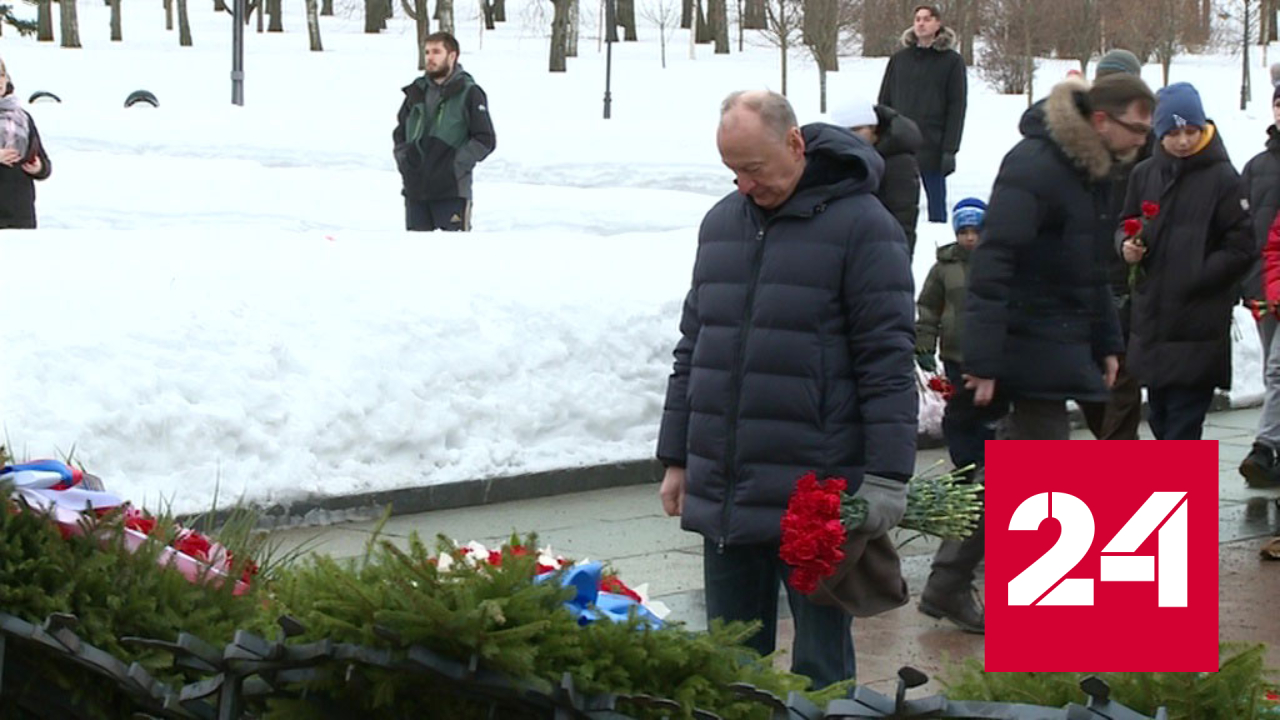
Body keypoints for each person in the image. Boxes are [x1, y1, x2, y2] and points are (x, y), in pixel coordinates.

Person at [655, 90, 917, 689]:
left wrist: (886, 477)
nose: (744, 185)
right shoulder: (721, 224)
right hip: (727, 487)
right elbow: (695, 348)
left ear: (795, 144)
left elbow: (886, 363)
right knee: (731, 666)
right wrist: (677, 457)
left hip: (815, 498)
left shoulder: (864, 227)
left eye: (754, 169)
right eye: (732, 172)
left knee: (820, 674)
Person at [963, 73, 1156, 439]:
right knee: (1044, 467)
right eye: (1135, 128)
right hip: (1027, 340)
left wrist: (1108, 344)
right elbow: (993, 264)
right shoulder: (1035, 166)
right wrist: (983, 362)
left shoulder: (1091, 167)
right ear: (1101, 121)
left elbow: (1091, 268)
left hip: (1060, 339)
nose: (1142, 140)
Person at [1120, 83, 1253, 441]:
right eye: (1174, 133)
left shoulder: (1224, 178)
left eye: (1190, 131)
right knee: (1161, 421)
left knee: (1182, 427)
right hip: (1154, 322)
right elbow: (1125, 222)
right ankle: (1174, 493)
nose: (1183, 141)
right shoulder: (1144, 174)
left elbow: (1242, 246)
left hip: (1198, 323)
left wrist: (1198, 274)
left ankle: (1180, 494)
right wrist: (1126, 246)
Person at [915, 196, 991, 634]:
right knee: (962, 419)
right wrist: (925, 343)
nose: (969, 239)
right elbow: (928, 308)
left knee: (992, 430)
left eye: (975, 231)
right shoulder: (944, 267)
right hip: (959, 358)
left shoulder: (995, 262)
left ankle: (982, 464)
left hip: (995, 359)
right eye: (963, 232)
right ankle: (969, 466)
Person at [1078, 49, 1151, 441]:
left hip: (1131, 280)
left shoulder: (1150, 143)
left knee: (1122, 385)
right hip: (1088, 280)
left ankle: (1119, 466)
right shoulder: (1079, 143)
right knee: (1093, 386)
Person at [392, 32, 495, 232]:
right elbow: (400, 133)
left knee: (453, 257)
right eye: (427, 52)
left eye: (437, 52)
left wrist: (456, 165)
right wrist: (405, 162)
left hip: (451, 191)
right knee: (416, 256)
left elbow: (485, 139)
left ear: (452, 56)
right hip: (416, 191)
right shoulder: (415, 92)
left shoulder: (469, 92)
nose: (430, 57)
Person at [878, 3, 967, 225]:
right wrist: (881, 136)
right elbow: (884, 101)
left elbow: (957, 107)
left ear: (938, 24)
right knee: (896, 205)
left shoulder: (952, 62)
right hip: (899, 143)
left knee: (936, 209)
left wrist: (950, 149)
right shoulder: (899, 59)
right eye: (918, 19)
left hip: (933, 145)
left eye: (927, 19)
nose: (921, 23)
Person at [1238, 74, 1280, 486]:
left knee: (1278, 369)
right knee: (1274, 368)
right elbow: (1243, 231)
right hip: (1264, 287)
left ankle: (1265, 446)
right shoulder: (1256, 167)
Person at [832, 96, 922, 256]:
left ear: (874, 128)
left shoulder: (898, 161)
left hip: (884, 251)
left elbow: (903, 216)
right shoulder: (841, 157)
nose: (851, 136)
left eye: (857, 129)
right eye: (844, 131)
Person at [0, 57, 52, 229]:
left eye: (1, 75)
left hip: (20, 215)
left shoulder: (22, 117)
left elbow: (44, 163)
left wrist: (39, 167)